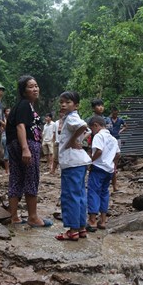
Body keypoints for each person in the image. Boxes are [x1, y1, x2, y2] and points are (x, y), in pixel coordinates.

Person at [6, 75, 52, 228]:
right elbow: (20, 126)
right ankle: (33, 217)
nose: (35, 89)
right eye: (31, 86)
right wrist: (26, 148)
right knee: (31, 177)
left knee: (16, 177)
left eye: (36, 86)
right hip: (26, 144)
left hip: (15, 144)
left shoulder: (24, 106)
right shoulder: (25, 104)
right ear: (23, 91)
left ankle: (14, 217)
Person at [56, 91, 92, 241]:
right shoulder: (71, 117)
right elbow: (88, 130)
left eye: (68, 102)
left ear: (76, 105)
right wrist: (78, 139)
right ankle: (81, 228)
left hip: (71, 163)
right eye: (62, 102)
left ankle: (72, 230)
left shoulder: (71, 118)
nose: (64, 105)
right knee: (80, 195)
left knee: (70, 195)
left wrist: (72, 141)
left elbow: (84, 126)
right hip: (80, 162)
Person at [86, 116, 120, 232]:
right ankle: (103, 220)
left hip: (98, 167)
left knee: (93, 192)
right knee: (104, 193)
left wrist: (91, 161)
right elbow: (118, 155)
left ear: (96, 125)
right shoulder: (113, 139)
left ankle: (92, 220)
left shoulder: (99, 136)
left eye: (92, 128)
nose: (92, 131)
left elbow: (99, 151)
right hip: (109, 170)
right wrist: (113, 164)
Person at [108, 106, 127, 192]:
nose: (115, 114)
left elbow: (126, 126)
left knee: (117, 154)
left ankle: (115, 166)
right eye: (113, 113)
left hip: (117, 138)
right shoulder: (108, 120)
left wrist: (120, 131)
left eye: (116, 113)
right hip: (109, 138)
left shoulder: (120, 120)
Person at [1, 107, 11, 175]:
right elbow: (2, 129)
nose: (9, 112)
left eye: (10, 111)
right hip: (5, 136)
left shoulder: (13, 119)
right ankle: (7, 171)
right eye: (7, 111)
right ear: (4, 112)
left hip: (12, 137)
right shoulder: (2, 120)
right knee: (6, 153)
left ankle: (11, 170)